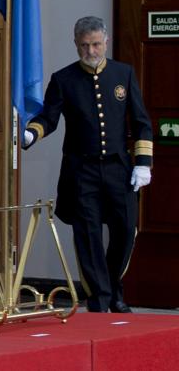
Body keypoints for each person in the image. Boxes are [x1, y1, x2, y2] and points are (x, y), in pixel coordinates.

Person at [22, 16, 153, 313]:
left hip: (119, 170)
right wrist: (32, 132)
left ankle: (113, 286)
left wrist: (143, 163)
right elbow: (49, 118)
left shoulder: (124, 74)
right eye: (84, 46)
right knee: (89, 235)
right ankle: (102, 299)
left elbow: (142, 123)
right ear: (76, 44)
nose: (91, 51)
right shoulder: (64, 79)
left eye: (95, 44)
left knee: (125, 229)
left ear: (105, 41)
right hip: (82, 173)